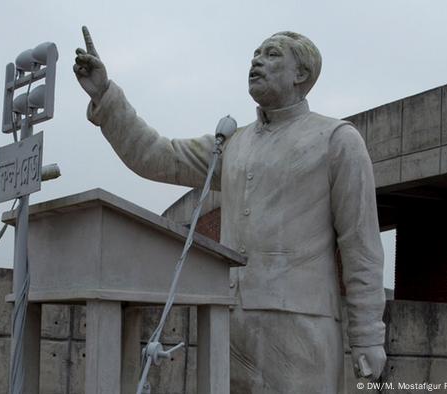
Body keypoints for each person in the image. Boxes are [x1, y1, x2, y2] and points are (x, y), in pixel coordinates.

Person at [73, 26, 387, 393]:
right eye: (255, 53)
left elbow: (360, 245)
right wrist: (106, 97)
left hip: (303, 330)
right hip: (228, 325)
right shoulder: (232, 144)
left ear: (301, 74)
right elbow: (157, 156)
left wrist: (367, 336)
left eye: (272, 54)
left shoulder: (338, 141)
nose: (257, 60)